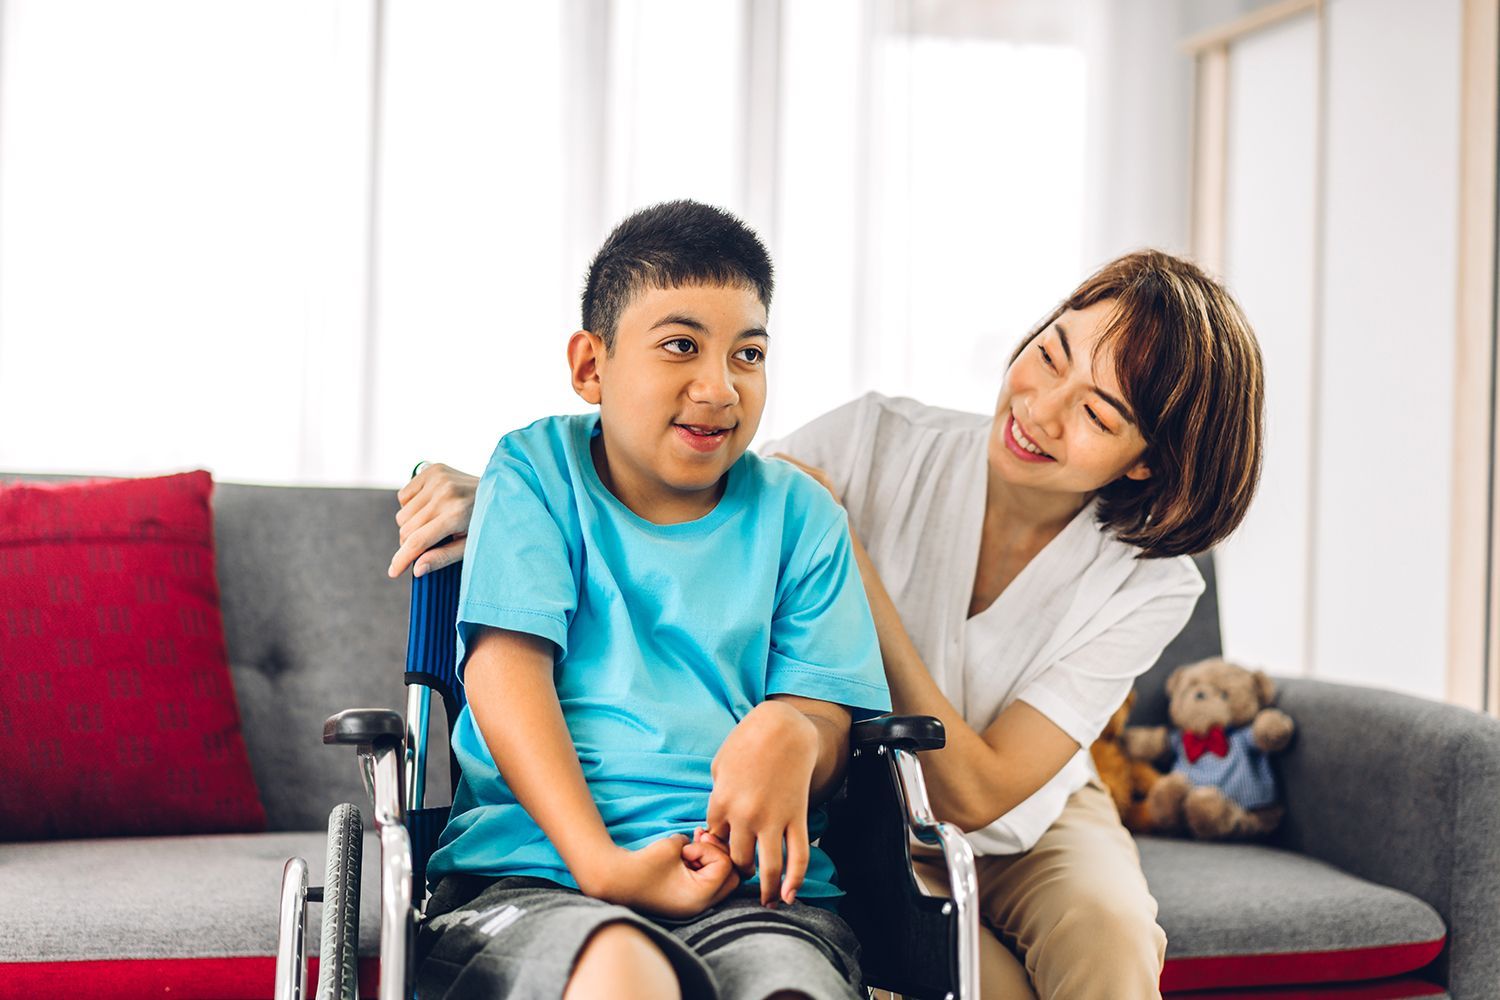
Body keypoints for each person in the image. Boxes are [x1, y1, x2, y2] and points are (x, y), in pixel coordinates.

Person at [392, 249, 1265, 1000]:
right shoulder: (877, 437)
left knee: (1111, 938)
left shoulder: (1153, 585)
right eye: (1049, 354)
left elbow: (978, 792)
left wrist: (855, 564)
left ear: (1146, 461)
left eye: (1099, 413)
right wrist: (504, 499)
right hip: (869, 804)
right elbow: (684, 478)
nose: (1041, 407)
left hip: (1022, 811)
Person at [412, 200, 891, 1000]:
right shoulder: (534, 471)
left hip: (754, 890)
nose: (720, 387)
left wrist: (797, 733)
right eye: (680, 346)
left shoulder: (802, 516)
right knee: (620, 973)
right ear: (591, 366)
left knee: (787, 988)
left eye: (748, 354)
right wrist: (603, 865)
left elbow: (829, 722)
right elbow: (504, 671)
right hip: (538, 872)